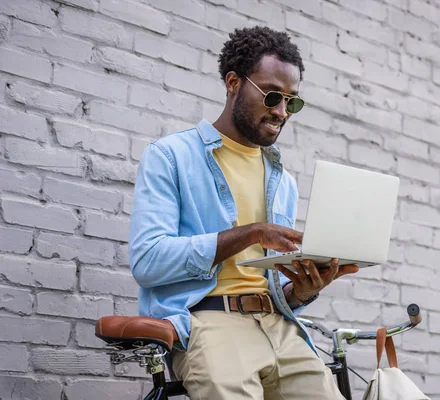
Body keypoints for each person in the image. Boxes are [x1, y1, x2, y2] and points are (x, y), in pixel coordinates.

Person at [128, 26, 359, 399]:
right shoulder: (171, 156)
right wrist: (251, 233)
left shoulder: (283, 181)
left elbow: (265, 279)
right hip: (207, 323)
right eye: (271, 96)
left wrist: (301, 292)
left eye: (292, 102)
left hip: (280, 325)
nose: (281, 112)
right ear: (233, 82)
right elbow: (147, 260)